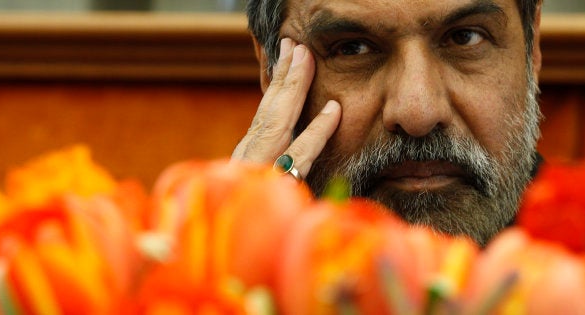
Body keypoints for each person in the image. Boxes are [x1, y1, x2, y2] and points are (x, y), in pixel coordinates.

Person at [232, 0, 543, 246]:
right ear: (271, 72)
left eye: (465, 38)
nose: (417, 114)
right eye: (352, 48)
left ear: (533, 47)